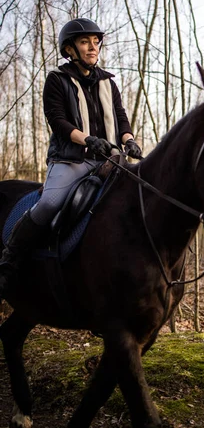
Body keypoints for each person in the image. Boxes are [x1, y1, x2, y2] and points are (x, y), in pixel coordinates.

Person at [0, 18, 141, 299]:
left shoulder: (108, 83)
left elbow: (121, 118)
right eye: (85, 42)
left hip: (108, 161)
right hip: (71, 160)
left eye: (96, 41)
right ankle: (9, 260)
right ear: (70, 49)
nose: (93, 47)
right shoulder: (57, 80)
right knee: (50, 202)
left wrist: (129, 140)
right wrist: (88, 139)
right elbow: (58, 121)